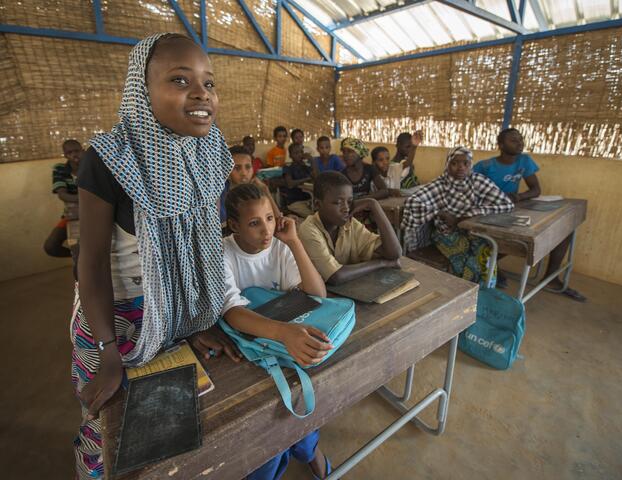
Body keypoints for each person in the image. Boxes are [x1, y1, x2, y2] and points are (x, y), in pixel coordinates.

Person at [72, 33, 242, 479]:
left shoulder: (209, 152)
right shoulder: (109, 159)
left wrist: (194, 322)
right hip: (115, 316)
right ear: (141, 90)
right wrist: (109, 353)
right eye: (180, 80)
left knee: (172, 432)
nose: (201, 93)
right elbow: (89, 264)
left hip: (177, 314)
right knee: (112, 433)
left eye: (209, 83)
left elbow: (199, 247)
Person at [221, 183, 332, 479]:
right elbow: (232, 312)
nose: (266, 230)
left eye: (270, 218)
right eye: (254, 223)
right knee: (268, 427)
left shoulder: (280, 247)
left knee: (297, 403)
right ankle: (305, 455)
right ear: (234, 225)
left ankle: (309, 452)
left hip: (285, 347)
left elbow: (317, 293)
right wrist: (283, 332)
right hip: (249, 351)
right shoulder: (223, 254)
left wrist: (294, 242)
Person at [474, 128, 586, 301]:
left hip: (513, 208)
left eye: (520, 139)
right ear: (501, 145)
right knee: (515, 240)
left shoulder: (524, 161)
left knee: (563, 231)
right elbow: (470, 190)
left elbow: (535, 189)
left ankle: (552, 277)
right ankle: (492, 263)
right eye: (513, 140)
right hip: (489, 211)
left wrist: (518, 196)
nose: (520, 143)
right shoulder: (485, 166)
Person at [403, 147, 514, 287]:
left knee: (485, 252)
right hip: (446, 233)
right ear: (447, 165)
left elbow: (506, 204)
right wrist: (440, 213)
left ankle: (481, 291)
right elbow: (413, 202)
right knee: (463, 255)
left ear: (471, 165)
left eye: (465, 163)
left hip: (474, 232)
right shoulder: (440, 184)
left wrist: (468, 215)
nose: (460, 167)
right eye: (455, 163)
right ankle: (465, 290)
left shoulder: (478, 181)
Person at [298, 171, 402, 285]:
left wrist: (373, 205)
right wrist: (382, 263)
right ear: (318, 204)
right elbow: (335, 276)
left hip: (348, 291)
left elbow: (394, 253)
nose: (346, 209)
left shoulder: (350, 224)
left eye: (349, 202)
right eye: (338, 202)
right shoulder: (308, 229)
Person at [44, 139, 84, 258]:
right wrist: (87, 200)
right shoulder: (60, 169)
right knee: (51, 247)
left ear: (83, 151)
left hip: (94, 213)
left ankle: (83, 259)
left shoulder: (91, 166)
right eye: (69, 152)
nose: (74, 155)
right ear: (65, 155)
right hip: (72, 215)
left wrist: (77, 199)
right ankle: (80, 257)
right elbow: (62, 195)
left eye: (77, 151)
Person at [220, 145, 280, 223]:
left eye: (248, 167)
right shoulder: (221, 192)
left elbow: (278, 220)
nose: (244, 173)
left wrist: (265, 190)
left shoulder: (256, 189)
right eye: (237, 168)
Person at [281, 143, 313, 218]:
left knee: (319, 213)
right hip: (294, 201)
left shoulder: (305, 166)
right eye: (296, 153)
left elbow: (316, 177)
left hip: (308, 200)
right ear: (290, 156)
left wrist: (312, 161)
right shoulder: (288, 167)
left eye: (301, 152)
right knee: (312, 216)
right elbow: (290, 184)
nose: (300, 155)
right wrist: (306, 179)